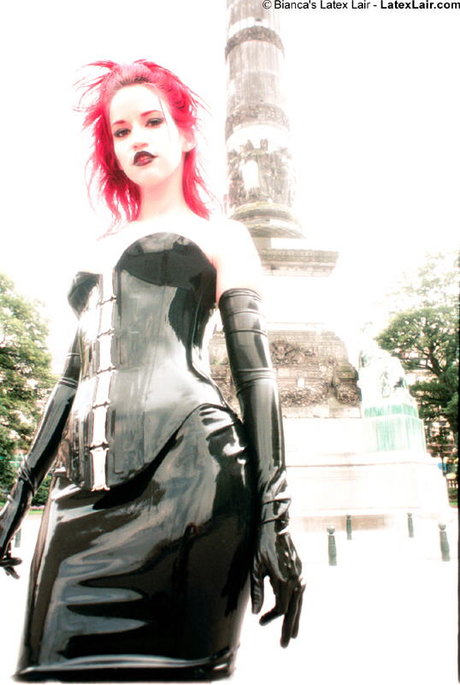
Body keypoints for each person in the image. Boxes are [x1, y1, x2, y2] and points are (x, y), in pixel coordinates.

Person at [0, 60, 304, 682]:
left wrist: (274, 517)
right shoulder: (97, 248)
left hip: (193, 477)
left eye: (151, 122)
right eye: (121, 131)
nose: (136, 138)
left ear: (185, 133)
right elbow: (71, 380)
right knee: (46, 670)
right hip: (79, 493)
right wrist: (17, 498)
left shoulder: (224, 237)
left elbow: (257, 378)